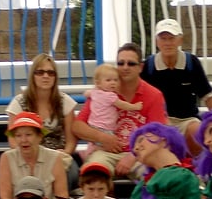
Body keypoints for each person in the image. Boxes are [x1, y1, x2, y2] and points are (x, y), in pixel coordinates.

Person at [72, 43, 168, 180]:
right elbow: (77, 126)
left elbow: (158, 134)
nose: (125, 67)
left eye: (131, 63)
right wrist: (102, 138)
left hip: (140, 155)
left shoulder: (154, 95)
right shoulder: (103, 91)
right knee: (94, 174)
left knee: (155, 178)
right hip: (104, 152)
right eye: (121, 63)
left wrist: (132, 156)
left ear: (140, 67)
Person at [141, 18, 212, 156]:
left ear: (180, 40)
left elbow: (208, 96)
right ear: (157, 42)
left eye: (171, 38)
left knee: (197, 131)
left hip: (188, 120)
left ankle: (197, 167)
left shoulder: (191, 62)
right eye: (163, 38)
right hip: (159, 120)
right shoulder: (149, 65)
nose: (167, 43)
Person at [6, 53, 80, 184]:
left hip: (59, 156)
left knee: (69, 173)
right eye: (40, 72)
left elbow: (71, 141)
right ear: (32, 76)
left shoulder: (66, 102)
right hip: (27, 156)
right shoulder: (18, 103)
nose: (46, 76)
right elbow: (12, 139)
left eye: (51, 73)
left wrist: (65, 153)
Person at [0, 111, 70, 199]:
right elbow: (5, 197)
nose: (23, 140)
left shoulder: (55, 158)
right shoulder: (6, 158)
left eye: (28, 135)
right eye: (18, 135)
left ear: (39, 136)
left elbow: (62, 197)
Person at [83, 63, 144, 157]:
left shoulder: (94, 92)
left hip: (93, 125)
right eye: (108, 80)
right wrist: (134, 107)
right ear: (98, 83)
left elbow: (86, 93)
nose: (113, 83)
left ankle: (91, 150)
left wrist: (91, 92)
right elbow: (122, 105)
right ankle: (94, 150)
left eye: (115, 80)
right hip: (105, 128)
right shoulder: (110, 96)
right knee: (112, 146)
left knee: (96, 142)